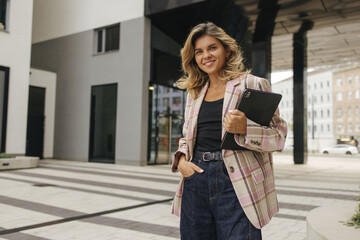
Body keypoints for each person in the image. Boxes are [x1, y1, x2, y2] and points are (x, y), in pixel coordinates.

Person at [170, 22, 287, 240]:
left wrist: (245, 128)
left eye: (212, 47)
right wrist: (182, 161)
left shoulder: (252, 84)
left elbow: (279, 137)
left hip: (236, 181)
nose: (206, 55)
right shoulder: (194, 94)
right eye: (199, 51)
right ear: (193, 58)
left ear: (227, 50)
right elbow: (187, 137)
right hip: (196, 179)